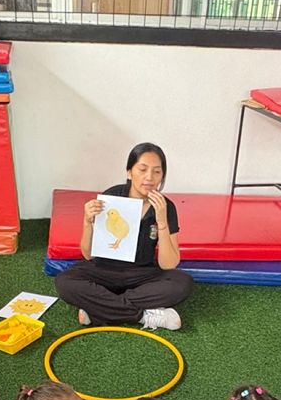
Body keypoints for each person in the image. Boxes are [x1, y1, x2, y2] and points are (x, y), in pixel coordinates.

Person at [55, 141, 192, 330]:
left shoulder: (166, 207)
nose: (149, 177)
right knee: (64, 282)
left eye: (157, 172)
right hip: (103, 270)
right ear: (129, 172)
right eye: (142, 169)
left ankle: (96, 310)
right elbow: (88, 254)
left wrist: (162, 221)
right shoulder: (111, 197)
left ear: (162, 176)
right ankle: (143, 316)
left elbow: (168, 264)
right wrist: (87, 222)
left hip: (141, 274)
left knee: (182, 283)